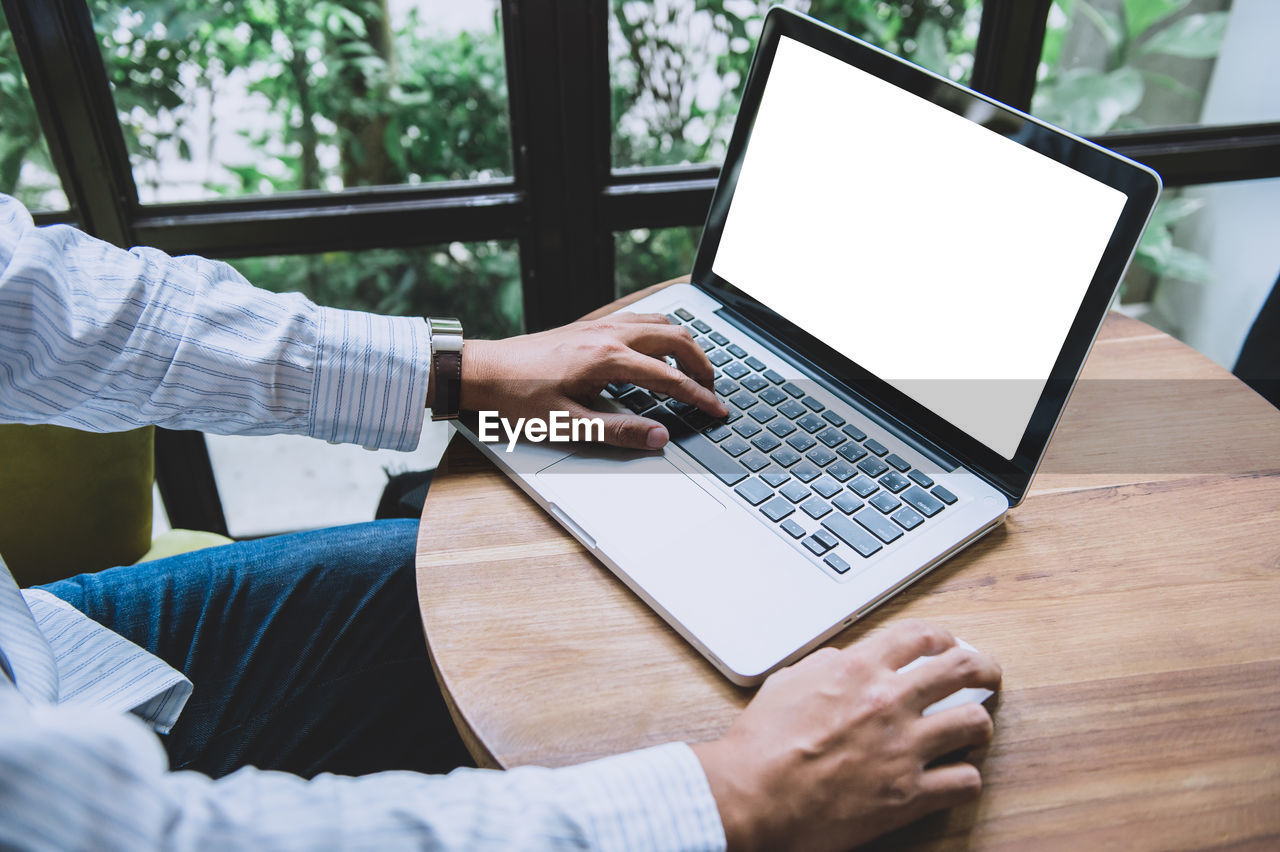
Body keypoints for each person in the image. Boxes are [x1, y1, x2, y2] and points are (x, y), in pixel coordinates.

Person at [0, 192, 1001, 850]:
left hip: (49, 648)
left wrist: (461, 371)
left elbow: (39, 300)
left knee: (459, 575)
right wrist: (735, 796)